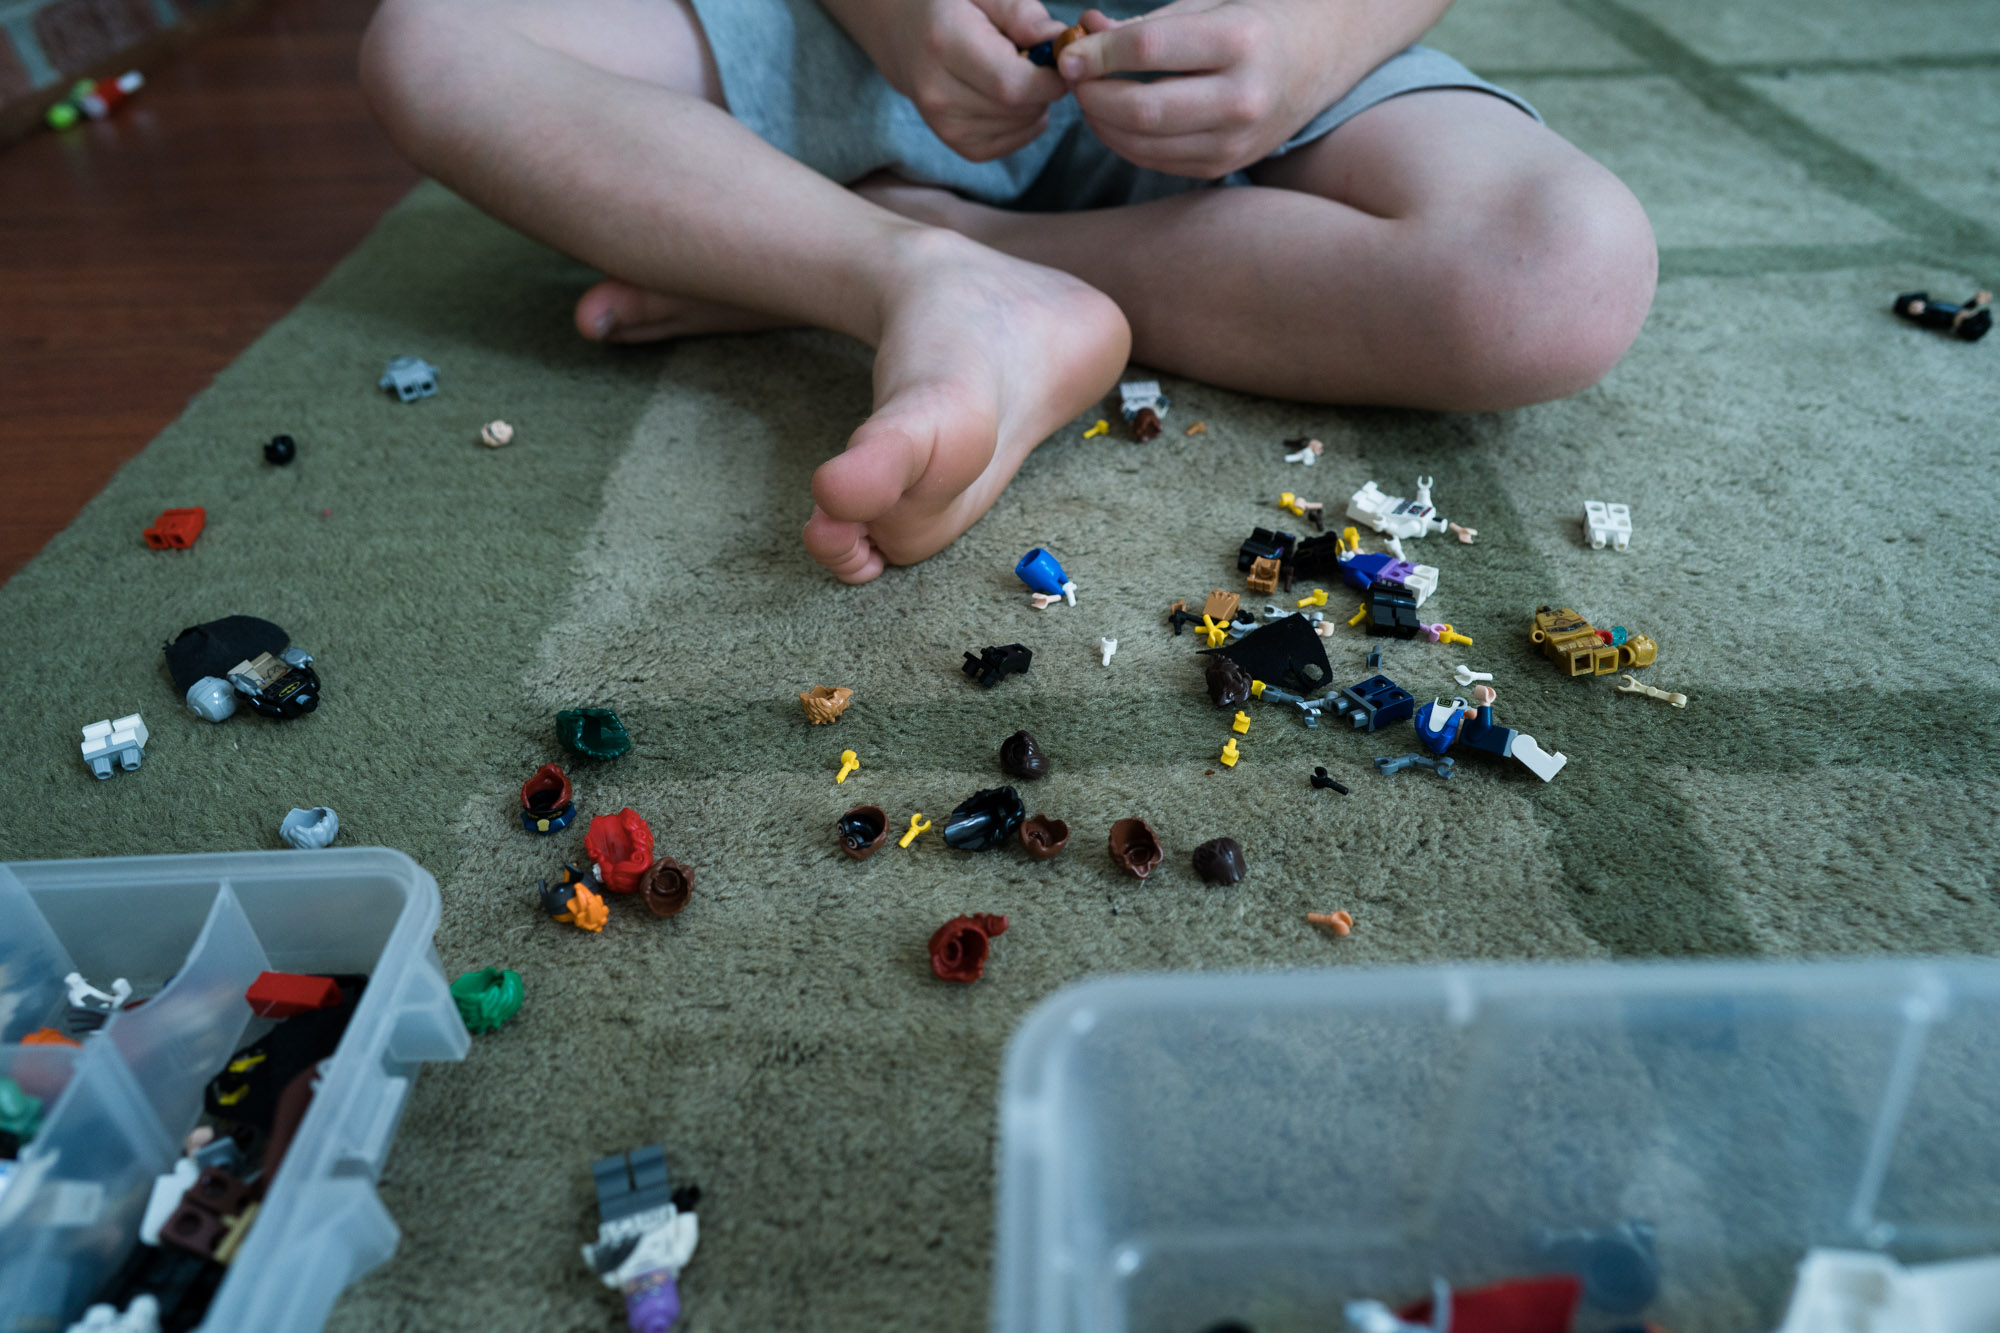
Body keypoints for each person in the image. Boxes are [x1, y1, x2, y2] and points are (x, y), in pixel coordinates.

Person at [359, 0, 1657, 584]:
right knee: (433, 36)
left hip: (1253, 51)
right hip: (865, 44)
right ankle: (902, 270)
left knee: (1562, 275)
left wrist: (1313, 34)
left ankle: (888, 240)